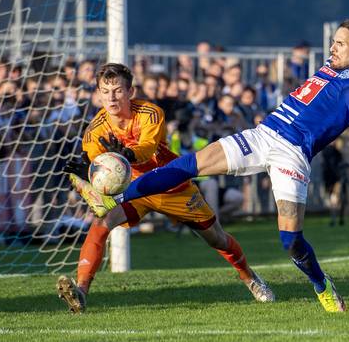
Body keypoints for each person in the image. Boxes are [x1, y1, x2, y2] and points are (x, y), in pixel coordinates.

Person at [77, 20, 349, 312]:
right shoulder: (331, 69)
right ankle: (117, 200)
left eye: (341, 44)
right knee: (188, 164)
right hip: (263, 134)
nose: (333, 48)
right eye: (334, 42)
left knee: (291, 241)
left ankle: (321, 285)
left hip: (292, 154)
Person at [57, 63, 274, 313]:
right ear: (98, 93)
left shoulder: (150, 113)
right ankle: (81, 291)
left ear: (131, 92)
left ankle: (250, 278)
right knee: (100, 224)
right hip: (134, 190)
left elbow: (148, 148)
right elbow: (99, 169)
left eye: (117, 90)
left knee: (217, 239)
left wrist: (126, 153)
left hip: (170, 184)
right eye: (105, 91)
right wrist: (88, 172)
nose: (111, 97)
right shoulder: (94, 131)